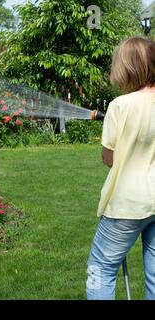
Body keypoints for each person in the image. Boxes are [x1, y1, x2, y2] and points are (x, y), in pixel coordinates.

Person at [87, 37, 155, 300]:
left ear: (127, 67)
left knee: (101, 268)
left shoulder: (120, 106)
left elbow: (109, 159)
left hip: (128, 204)